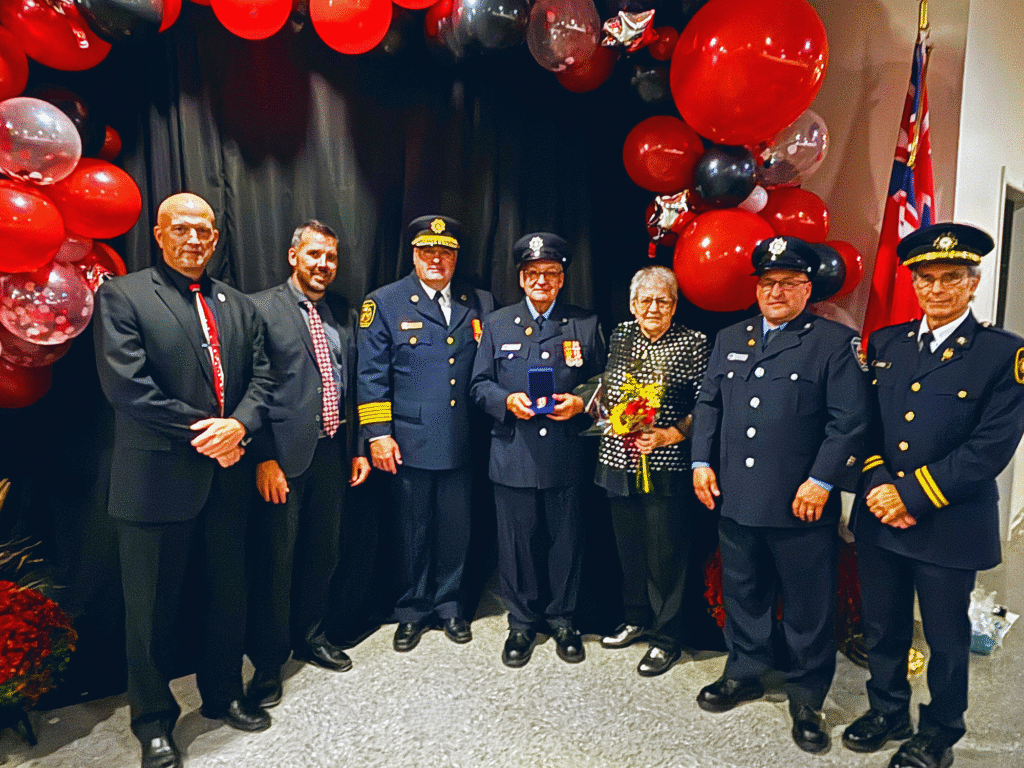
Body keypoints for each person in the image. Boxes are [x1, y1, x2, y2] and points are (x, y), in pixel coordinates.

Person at [93, 193, 275, 768]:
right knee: (149, 613)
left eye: (204, 230)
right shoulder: (123, 295)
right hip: (154, 481)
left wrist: (240, 426)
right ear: (159, 234)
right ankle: (152, 721)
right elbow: (127, 387)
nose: (194, 239)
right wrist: (212, 433)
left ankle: (223, 694)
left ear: (216, 238)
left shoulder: (238, 305)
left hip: (227, 480)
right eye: (182, 229)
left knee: (228, 596)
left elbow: (264, 378)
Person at [843, 223, 1024, 768]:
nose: (937, 289)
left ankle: (940, 732)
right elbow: (866, 426)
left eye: (951, 278)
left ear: (973, 283)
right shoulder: (887, 343)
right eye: (927, 278)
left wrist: (910, 496)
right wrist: (880, 486)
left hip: (948, 521)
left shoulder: (1004, 353)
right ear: (914, 283)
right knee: (883, 626)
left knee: (946, 638)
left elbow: (989, 449)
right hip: (881, 513)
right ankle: (888, 711)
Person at [690, 235, 870, 754]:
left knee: (809, 603)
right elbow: (709, 405)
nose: (776, 292)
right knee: (743, 590)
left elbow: (850, 422)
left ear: (807, 289)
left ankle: (807, 695)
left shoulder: (833, 342)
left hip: (800, 501)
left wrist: (822, 481)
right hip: (736, 495)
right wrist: (700, 463)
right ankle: (744, 671)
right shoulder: (731, 337)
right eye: (768, 283)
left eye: (788, 283)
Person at [246, 221, 371, 709]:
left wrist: (357, 447)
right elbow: (249, 388)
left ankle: (312, 636)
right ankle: (268, 663)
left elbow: (352, 383)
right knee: (276, 563)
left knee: (323, 553)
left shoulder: (342, 311)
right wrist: (263, 457)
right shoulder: (260, 308)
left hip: (332, 453)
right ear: (293, 255)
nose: (324, 264)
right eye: (315, 254)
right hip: (282, 458)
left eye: (331, 257)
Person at [357, 215, 494, 651]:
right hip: (409, 439)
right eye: (427, 251)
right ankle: (412, 609)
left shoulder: (480, 301)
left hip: (463, 437)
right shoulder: (385, 302)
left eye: (445, 252)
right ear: (414, 255)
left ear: (456, 257)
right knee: (412, 529)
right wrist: (378, 433)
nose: (437, 259)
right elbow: (371, 374)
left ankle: (451, 605)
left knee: (457, 527)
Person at [471, 232, 606, 668]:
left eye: (550, 273)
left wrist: (581, 403)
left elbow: (605, 381)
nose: (542, 281)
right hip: (514, 452)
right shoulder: (497, 324)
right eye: (533, 273)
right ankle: (522, 623)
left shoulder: (584, 323)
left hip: (566, 453)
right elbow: (479, 385)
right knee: (517, 545)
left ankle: (564, 621)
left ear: (562, 278)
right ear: (521, 278)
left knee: (567, 541)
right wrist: (506, 401)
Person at [595, 266, 709, 677]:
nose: (653, 308)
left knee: (667, 556)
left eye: (663, 300)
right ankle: (636, 618)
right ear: (632, 304)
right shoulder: (620, 335)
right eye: (645, 300)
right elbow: (605, 390)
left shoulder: (693, 342)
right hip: (618, 460)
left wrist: (670, 435)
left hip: (665, 463)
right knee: (629, 549)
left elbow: (707, 404)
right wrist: (608, 417)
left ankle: (667, 638)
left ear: (675, 305)